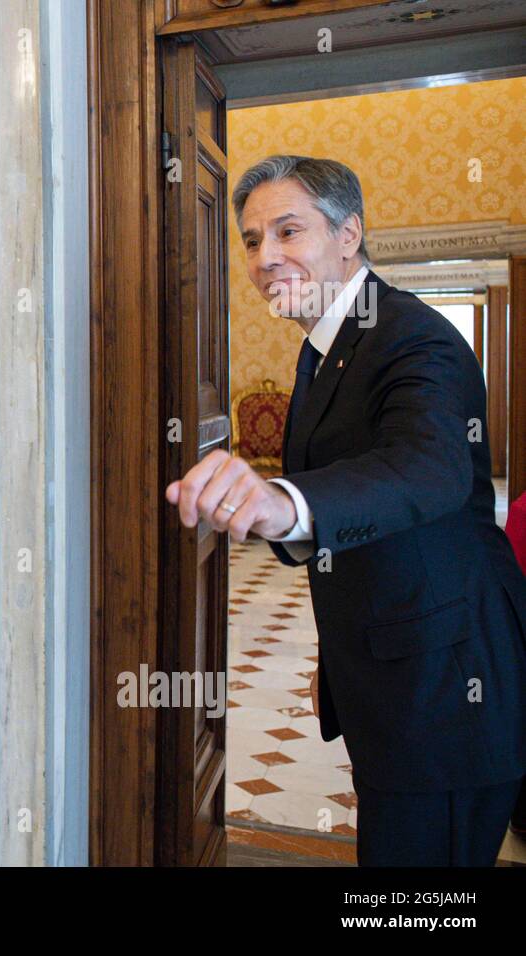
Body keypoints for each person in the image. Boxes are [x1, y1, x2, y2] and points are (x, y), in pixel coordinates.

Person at [166, 155, 526, 866]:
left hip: (449, 687)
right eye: (250, 240)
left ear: (348, 233)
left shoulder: (411, 334)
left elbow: (430, 469)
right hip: (391, 671)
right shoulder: (328, 348)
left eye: (288, 231)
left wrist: (282, 500)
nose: (265, 257)